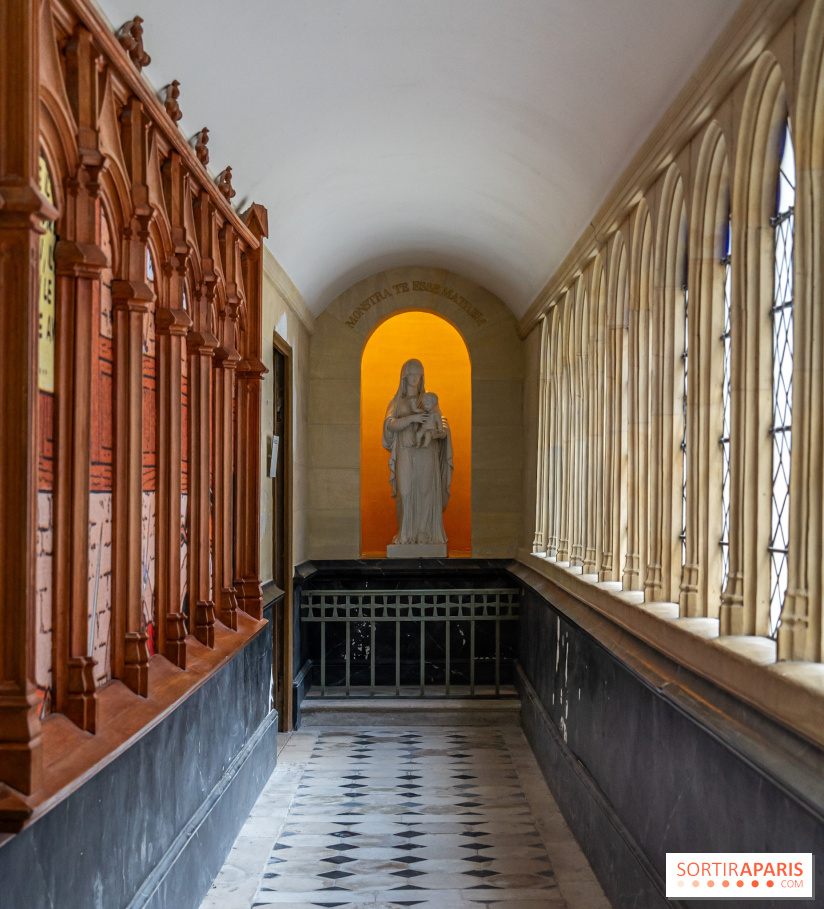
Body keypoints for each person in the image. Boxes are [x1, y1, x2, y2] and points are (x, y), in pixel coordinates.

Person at [382, 359, 453, 546]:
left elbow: (440, 420)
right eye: (411, 374)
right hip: (405, 451)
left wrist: (442, 431)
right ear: (404, 377)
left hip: (426, 452)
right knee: (404, 493)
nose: (414, 378)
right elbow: (389, 425)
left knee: (425, 492)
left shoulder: (428, 399)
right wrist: (412, 418)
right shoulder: (397, 402)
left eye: (418, 374)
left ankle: (424, 534)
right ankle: (405, 535)